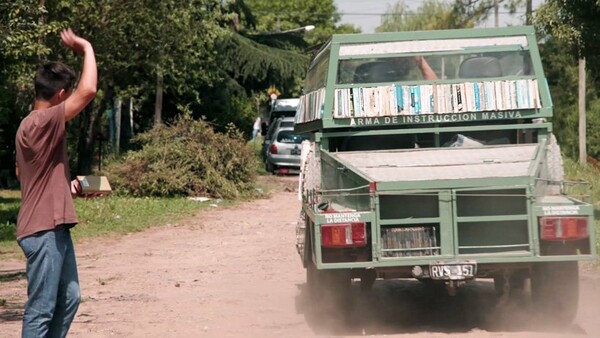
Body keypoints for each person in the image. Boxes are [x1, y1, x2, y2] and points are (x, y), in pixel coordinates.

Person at [14, 28, 97, 338]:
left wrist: (69, 188)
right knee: (41, 311)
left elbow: (26, 177)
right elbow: (88, 90)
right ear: (61, 94)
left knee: (69, 298)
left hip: (54, 227)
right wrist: (85, 46)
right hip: (43, 230)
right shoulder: (41, 121)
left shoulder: (31, 126)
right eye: (68, 93)